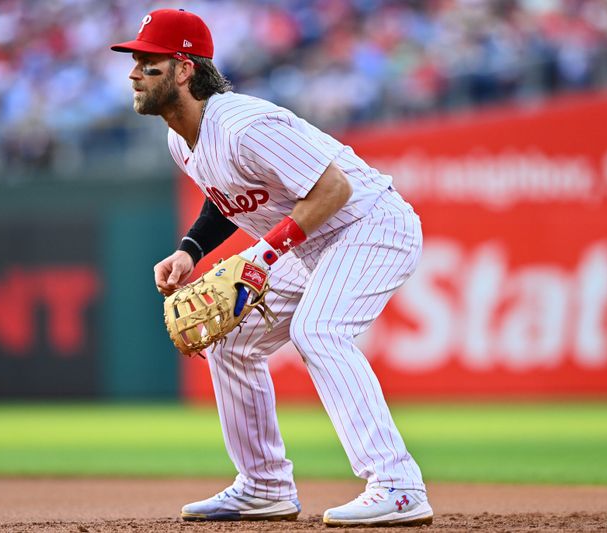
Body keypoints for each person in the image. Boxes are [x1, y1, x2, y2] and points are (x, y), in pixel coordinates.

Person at [111, 9, 432, 527]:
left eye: (148, 62)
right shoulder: (181, 139)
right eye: (136, 62)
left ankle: (397, 485)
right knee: (230, 340)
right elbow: (227, 198)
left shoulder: (245, 124)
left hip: (369, 225)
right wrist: (189, 250)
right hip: (309, 242)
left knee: (319, 331)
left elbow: (333, 189)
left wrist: (263, 256)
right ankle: (264, 487)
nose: (133, 72)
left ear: (184, 68)